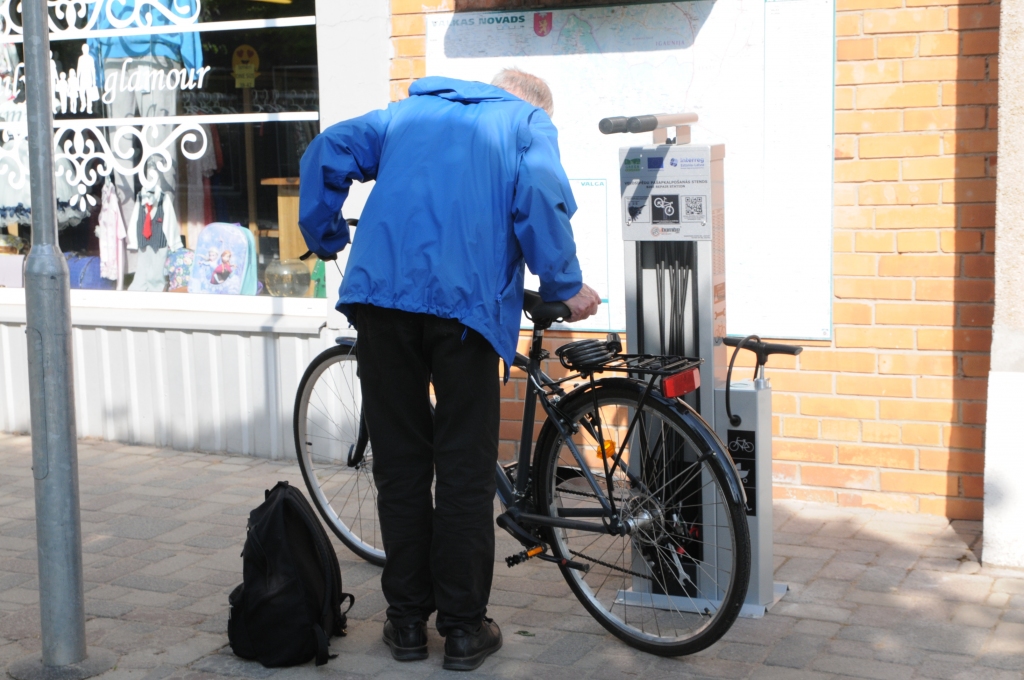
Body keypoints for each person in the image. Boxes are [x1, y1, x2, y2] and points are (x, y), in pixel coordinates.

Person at [298, 69, 601, 672]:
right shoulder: (526, 123)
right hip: (466, 313)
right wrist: (563, 285)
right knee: (463, 472)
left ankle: (406, 623)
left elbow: (326, 148)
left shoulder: (405, 115)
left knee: (402, 465)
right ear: (535, 105)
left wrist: (325, 231)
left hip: (382, 301)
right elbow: (540, 194)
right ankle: (463, 631)